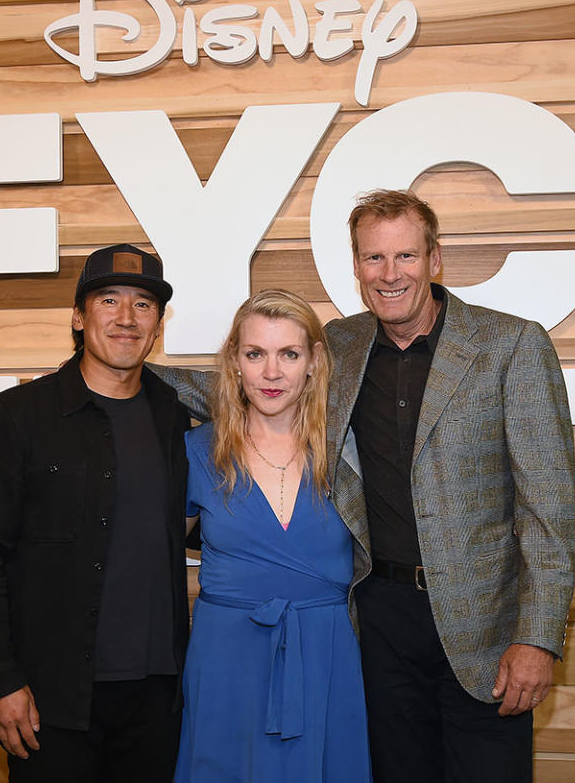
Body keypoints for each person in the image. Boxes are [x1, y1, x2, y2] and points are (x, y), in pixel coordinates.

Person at [157, 190, 575, 783]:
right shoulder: (343, 345)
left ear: (434, 259)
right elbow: (242, 383)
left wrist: (537, 638)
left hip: (483, 626)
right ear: (355, 266)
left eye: (405, 256)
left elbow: (548, 511)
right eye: (373, 258)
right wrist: (119, 365)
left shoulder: (509, 345)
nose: (389, 274)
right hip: (376, 619)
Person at [0, 243, 191, 783]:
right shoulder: (16, 418)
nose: (126, 317)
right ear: (79, 317)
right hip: (50, 700)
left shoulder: (176, 418)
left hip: (157, 699)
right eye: (108, 299)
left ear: (158, 325)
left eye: (144, 305)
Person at [174, 289, 371, 783]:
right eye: (255, 353)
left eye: (289, 353)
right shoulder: (198, 452)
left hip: (327, 656)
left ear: (313, 362)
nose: (272, 372)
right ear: (234, 362)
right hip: (226, 659)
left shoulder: (347, 453)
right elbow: (147, 557)